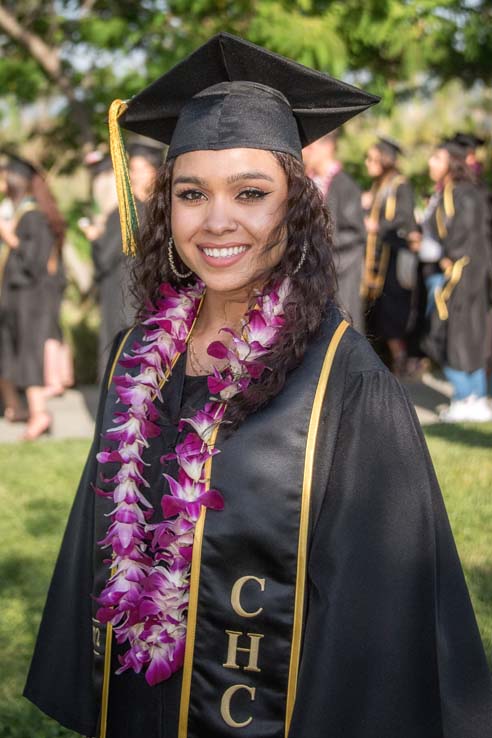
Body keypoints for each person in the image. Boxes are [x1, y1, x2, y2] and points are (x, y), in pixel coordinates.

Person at [24, 33, 492, 738]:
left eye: (251, 193)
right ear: (167, 208)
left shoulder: (347, 385)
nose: (217, 221)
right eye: (191, 194)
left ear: (295, 206)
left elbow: (377, 631)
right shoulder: (136, 358)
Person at [423, 139, 492, 422]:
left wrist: (448, 257)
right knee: (468, 334)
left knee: (451, 333)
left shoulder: (458, 193)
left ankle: (466, 398)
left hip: (461, 275)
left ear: (452, 162)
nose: (430, 163)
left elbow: (460, 235)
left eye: (437, 158)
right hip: (472, 275)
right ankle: (474, 398)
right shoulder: (465, 191)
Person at [82, 144, 162, 379]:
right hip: (123, 291)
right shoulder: (133, 212)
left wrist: (96, 239)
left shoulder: (140, 211)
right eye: (133, 170)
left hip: (139, 291)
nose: (134, 176)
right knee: (123, 352)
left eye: (141, 169)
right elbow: (107, 257)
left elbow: (103, 256)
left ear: (156, 172)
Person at [0, 156, 66, 438]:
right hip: (16, 297)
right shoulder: (21, 214)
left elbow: (35, 261)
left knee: (29, 353)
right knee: (11, 350)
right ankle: (18, 408)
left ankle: (40, 414)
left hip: (30, 298)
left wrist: (11, 238)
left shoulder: (33, 216)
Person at [362, 137, 421, 374]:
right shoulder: (380, 185)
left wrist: (379, 225)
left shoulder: (400, 185)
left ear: (384, 159)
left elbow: (406, 218)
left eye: (372, 158)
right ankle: (392, 359)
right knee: (380, 311)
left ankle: (402, 359)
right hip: (380, 260)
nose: (368, 162)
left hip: (394, 259)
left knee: (392, 311)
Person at [303, 132, 366, 332]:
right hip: (312, 272)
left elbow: (354, 234)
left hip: (340, 272)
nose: (304, 152)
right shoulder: (307, 183)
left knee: (341, 329)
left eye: (310, 147)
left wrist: (318, 244)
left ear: (327, 147)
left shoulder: (345, 185)